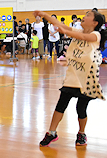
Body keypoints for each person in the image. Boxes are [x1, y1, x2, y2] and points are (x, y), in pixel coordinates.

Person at [34, 9, 106, 147]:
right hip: (72, 77)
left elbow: (84, 38)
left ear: (95, 22)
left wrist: (64, 31)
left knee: (81, 108)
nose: (84, 17)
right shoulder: (78, 31)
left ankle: (81, 133)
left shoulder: (95, 35)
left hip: (86, 79)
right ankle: (51, 132)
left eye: (88, 15)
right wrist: (45, 15)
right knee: (60, 105)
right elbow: (59, 24)